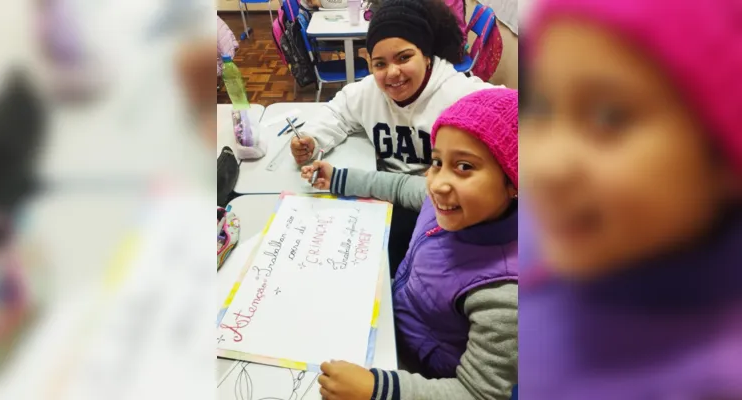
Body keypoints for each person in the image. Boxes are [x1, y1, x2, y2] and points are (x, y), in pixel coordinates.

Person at [518, 0, 742, 398]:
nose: (548, 165)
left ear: (723, 153)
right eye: (540, 107)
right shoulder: (562, 229)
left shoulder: (712, 381)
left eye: (610, 117)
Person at [301, 89, 519, 400]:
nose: (438, 183)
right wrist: (339, 178)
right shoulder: (445, 202)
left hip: (421, 373)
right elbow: (402, 185)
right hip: (391, 314)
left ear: (513, 182)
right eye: (437, 161)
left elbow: (477, 393)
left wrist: (377, 390)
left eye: (464, 167)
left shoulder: (505, 294)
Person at [290, 0, 498, 175]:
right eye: (380, 63)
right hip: (386, 192)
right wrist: (313, 139)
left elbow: (507, 112)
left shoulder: (457, 94)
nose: (392, 73)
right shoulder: (370, 90)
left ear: (426, 56)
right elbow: (338, 111)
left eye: (404, 58)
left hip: (436, 202)